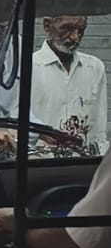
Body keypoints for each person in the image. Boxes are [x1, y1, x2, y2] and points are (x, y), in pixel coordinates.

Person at [30, 15, 108, 155]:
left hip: (82, 162)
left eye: (81, 30)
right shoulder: (28, 67)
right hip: (38, 161)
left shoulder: (94, 67)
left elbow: (99, 128)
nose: (75, 37)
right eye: (67, 28)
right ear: (47, 26)